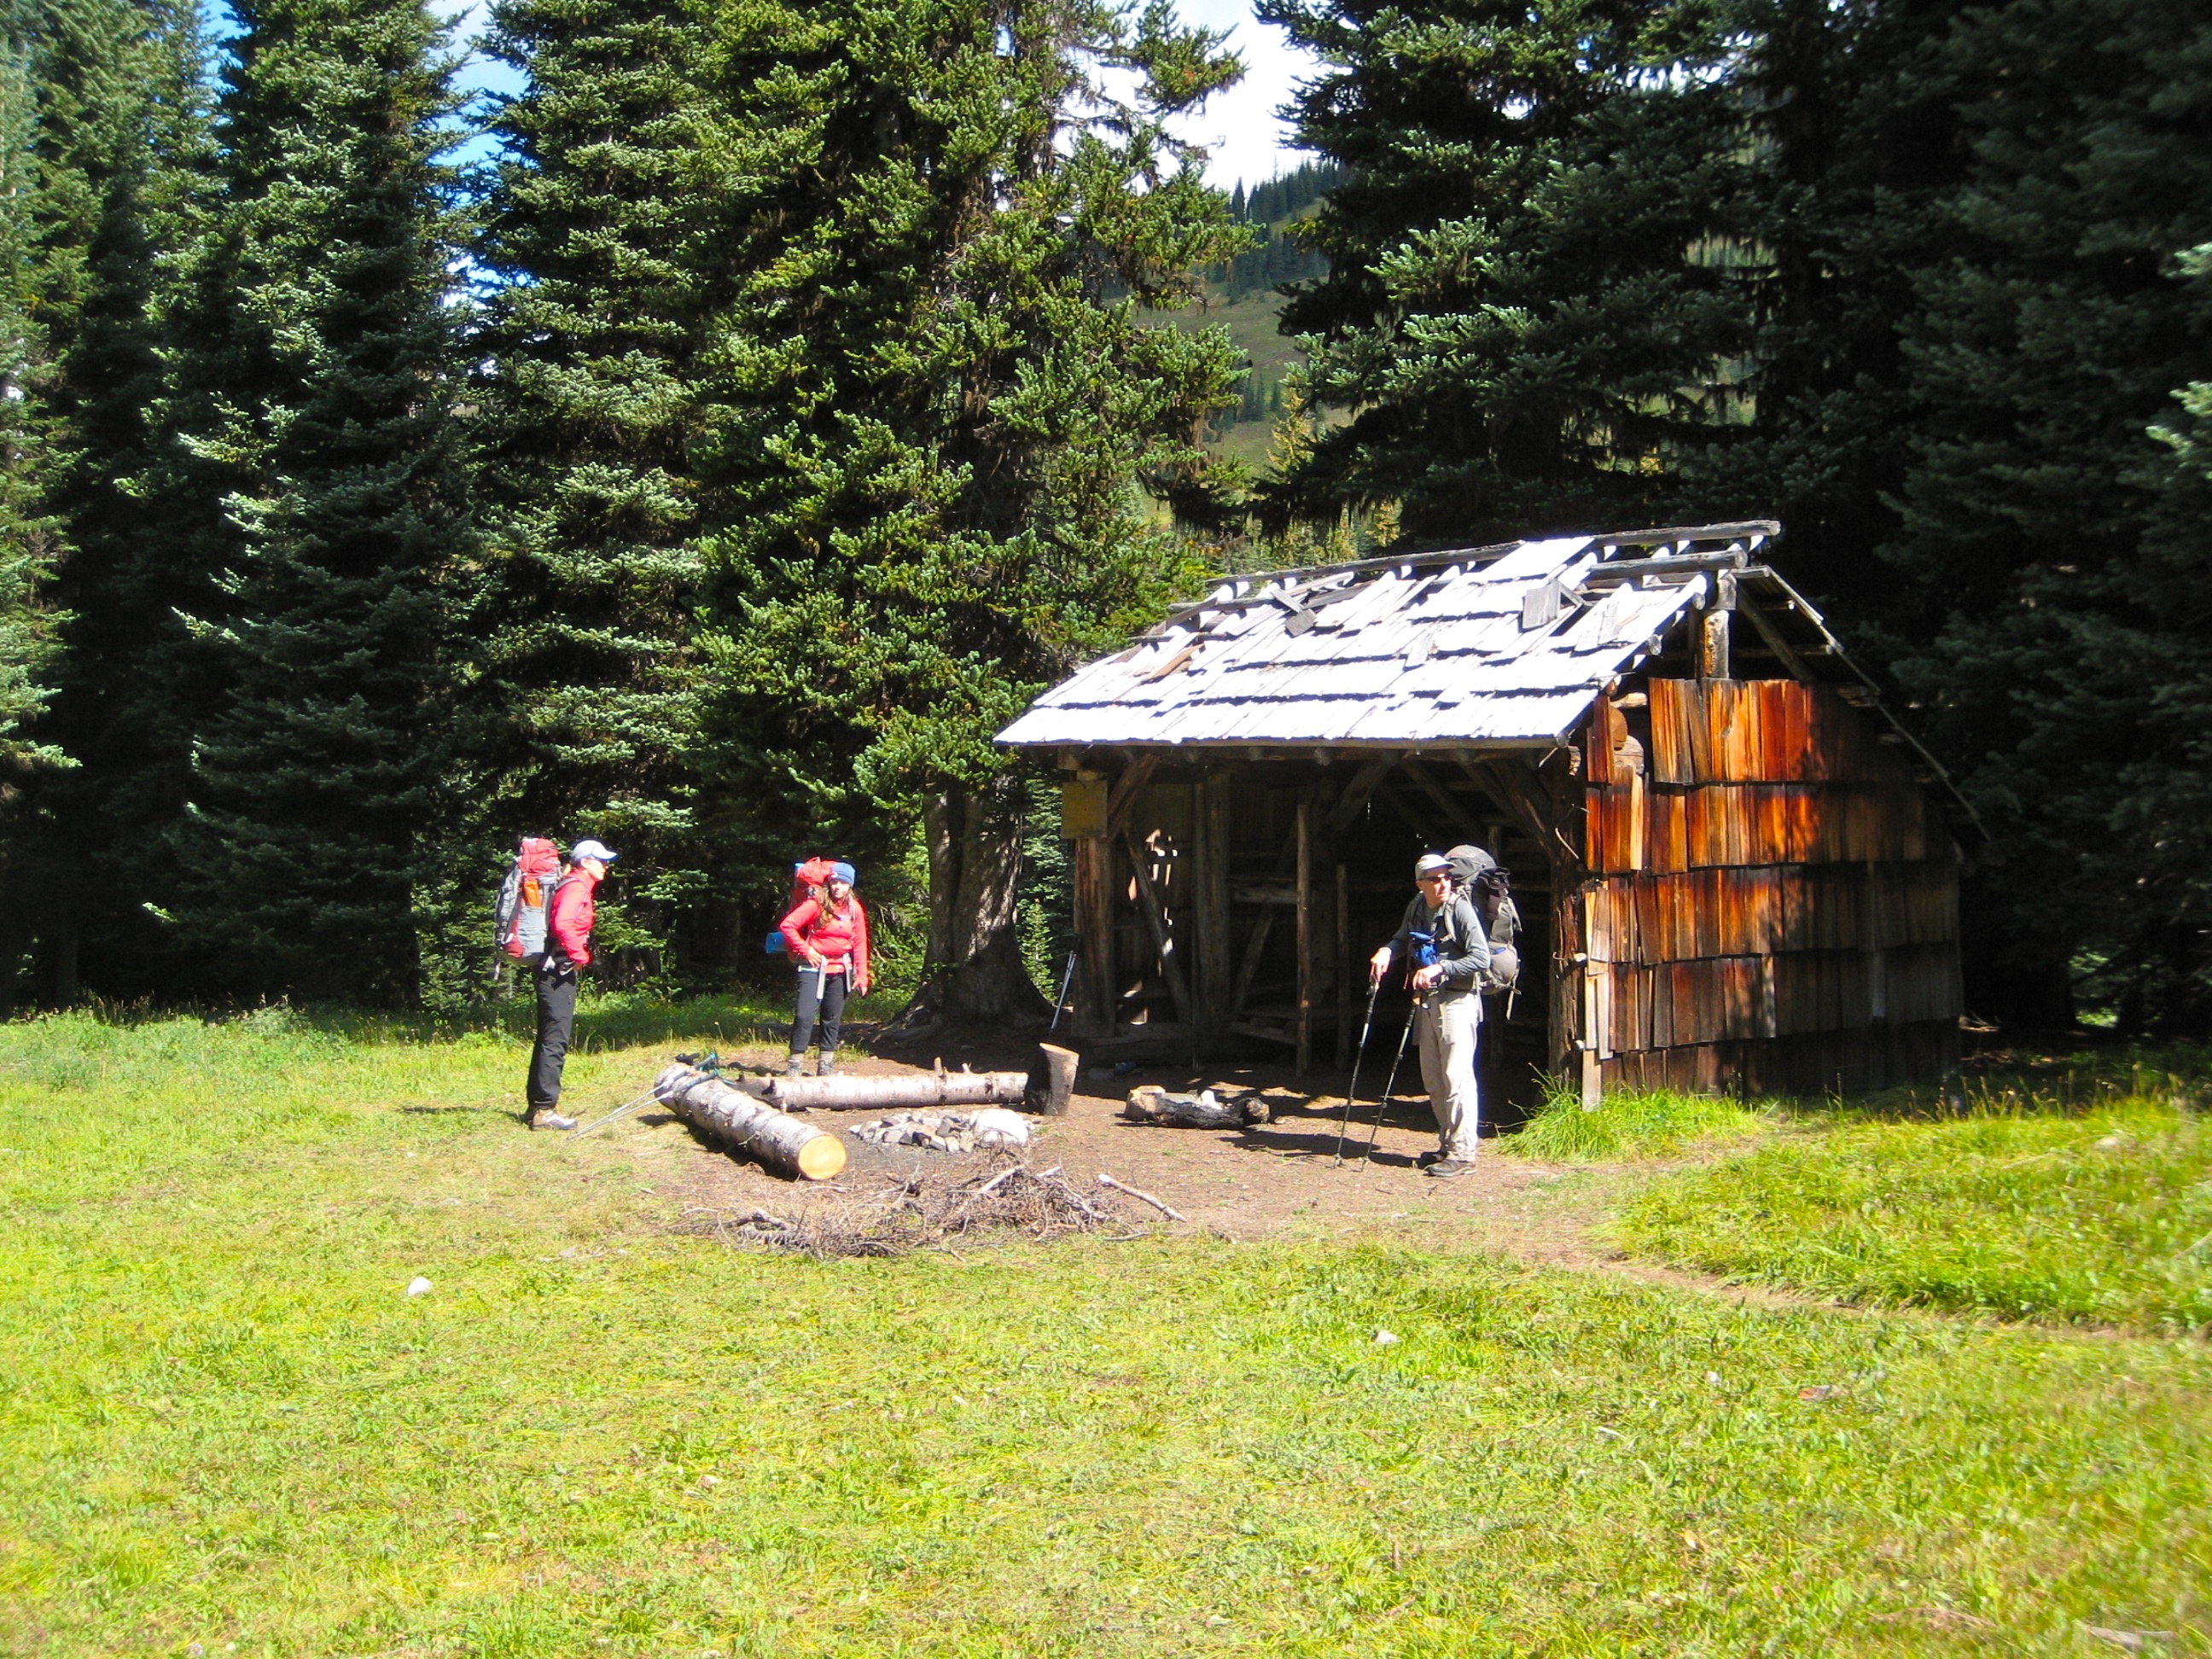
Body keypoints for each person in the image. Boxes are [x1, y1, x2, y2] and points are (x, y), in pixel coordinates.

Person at [1369, 851, 1491, 1177]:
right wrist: (1386, 952)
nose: (1443, 884)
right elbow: (1401, 938)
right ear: (1420, 883)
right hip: (1428, 1001)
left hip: (1458, 1000)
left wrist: (1441, 968)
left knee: (1457, 1076)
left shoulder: (1461, 909)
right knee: (1434, 1078)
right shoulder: (1418, 906)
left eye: (1447, 877)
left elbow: (1482, 958)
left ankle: (1464, 1155)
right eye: (1435, 879)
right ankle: (1447, 1146)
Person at [525, 838, 618, 1131]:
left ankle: (537, 1107)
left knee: (549, 1037)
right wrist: (581, 955)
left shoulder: (574, 885)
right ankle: (544, 1111)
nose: (605, 865)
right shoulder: (576, 886)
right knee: (556, 1039)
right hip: (557, 972)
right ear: (585, 862)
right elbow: (563, 924)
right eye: (600, 860)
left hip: (553, 970)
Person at [778, 860, 870, 1076]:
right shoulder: (815, 904)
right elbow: (788, 925)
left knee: (831, 1018)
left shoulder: (854, 909)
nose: (838, 887)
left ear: (850, 886)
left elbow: (860, 942)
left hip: (840, 969)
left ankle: (826, 1066)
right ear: (829, 883)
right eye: (835, 882)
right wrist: (805, 950)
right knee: (804, 1015)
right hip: (813, 967)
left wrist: (862, 975)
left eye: (843, 883)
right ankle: (795, 1065)